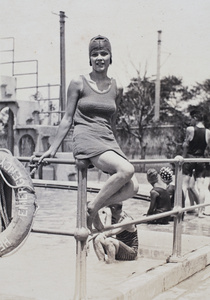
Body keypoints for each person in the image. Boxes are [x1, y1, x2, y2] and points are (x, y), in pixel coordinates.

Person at [38, 35, 139, 231]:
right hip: (86, 137)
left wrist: (115, 149)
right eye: (95, 54)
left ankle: (93, 206)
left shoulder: (117, 87)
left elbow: (112, 120)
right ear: (90, 59)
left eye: (104, 53)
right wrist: (52, 148)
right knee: (127, 170)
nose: (99, 57)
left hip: (107, 139)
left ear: (111, 57)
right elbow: (67, 118)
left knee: (132, 187)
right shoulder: (78, 82)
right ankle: (92, 208)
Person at [182, 109, 210, 217]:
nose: (190, 121)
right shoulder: (208, 132)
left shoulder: (190, 129)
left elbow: (186, 145)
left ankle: (182, 210)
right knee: (201, 186)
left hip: (190, 157)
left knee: (184, 185)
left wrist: (183, 158)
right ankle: (200, 212)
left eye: (191, 118)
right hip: (201, 159)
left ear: (195, 118)